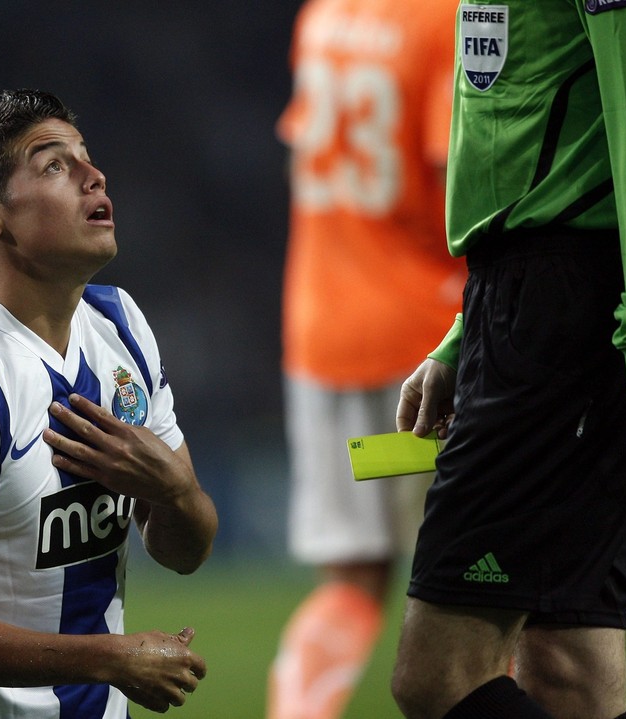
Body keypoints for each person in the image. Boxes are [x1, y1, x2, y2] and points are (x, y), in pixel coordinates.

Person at [0, 89, 219, 719]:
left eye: (86, 158)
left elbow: (185, 551)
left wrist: (176, 493)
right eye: (54, 165)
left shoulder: (124, 328)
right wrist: (109, 658)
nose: (94, 176)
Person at [390, 3, 626, 719]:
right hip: (518, 300)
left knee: (437, 674)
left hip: (567, 316)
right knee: (568, 673)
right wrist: (464, 334)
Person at [267, 1, 464, 717]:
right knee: (478, 581)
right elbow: (459, 175)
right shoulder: (446, 14)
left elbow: (302, 157)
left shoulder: (324, 12)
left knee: (350, 579)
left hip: (321, 339)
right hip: (426, 353)